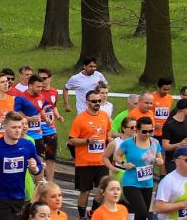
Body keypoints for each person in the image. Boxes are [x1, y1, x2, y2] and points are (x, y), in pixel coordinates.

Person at [0, 111, 45, 220]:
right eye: (14, 127)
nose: (17, 130)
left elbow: (38, 167)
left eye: (19, 127)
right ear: (5, 127)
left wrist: (34, 168)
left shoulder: (27, 145)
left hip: (20, 197)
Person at [69, 90, 112, 220]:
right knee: (85, 191)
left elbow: (108, 132)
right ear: (87, 102)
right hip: (85, 162)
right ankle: (81, 216)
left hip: (101, 161)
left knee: (102, 190)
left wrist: (109, 140)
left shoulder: (104, 116)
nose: (97, 103)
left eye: (99, 101)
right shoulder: (80, 119)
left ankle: (93, 211)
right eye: (94, 101)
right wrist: (87, 141)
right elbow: (72, 140)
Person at [114, 116, 165, 220]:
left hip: (147, 183)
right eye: (144, 131)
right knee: (141, 212)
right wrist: (124, 163)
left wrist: (159, 161)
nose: (147, 134)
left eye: (150, 131)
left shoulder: (155, 142)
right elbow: (116, 155)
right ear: (137, 130)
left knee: (142, 214)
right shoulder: (129, 143)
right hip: (131, 182)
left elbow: (160, 159)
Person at [153, 146, 187, 220]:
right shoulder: (168, 181)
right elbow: (158, 208)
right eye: (186, 160)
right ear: (176, 161)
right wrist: (183, 204)